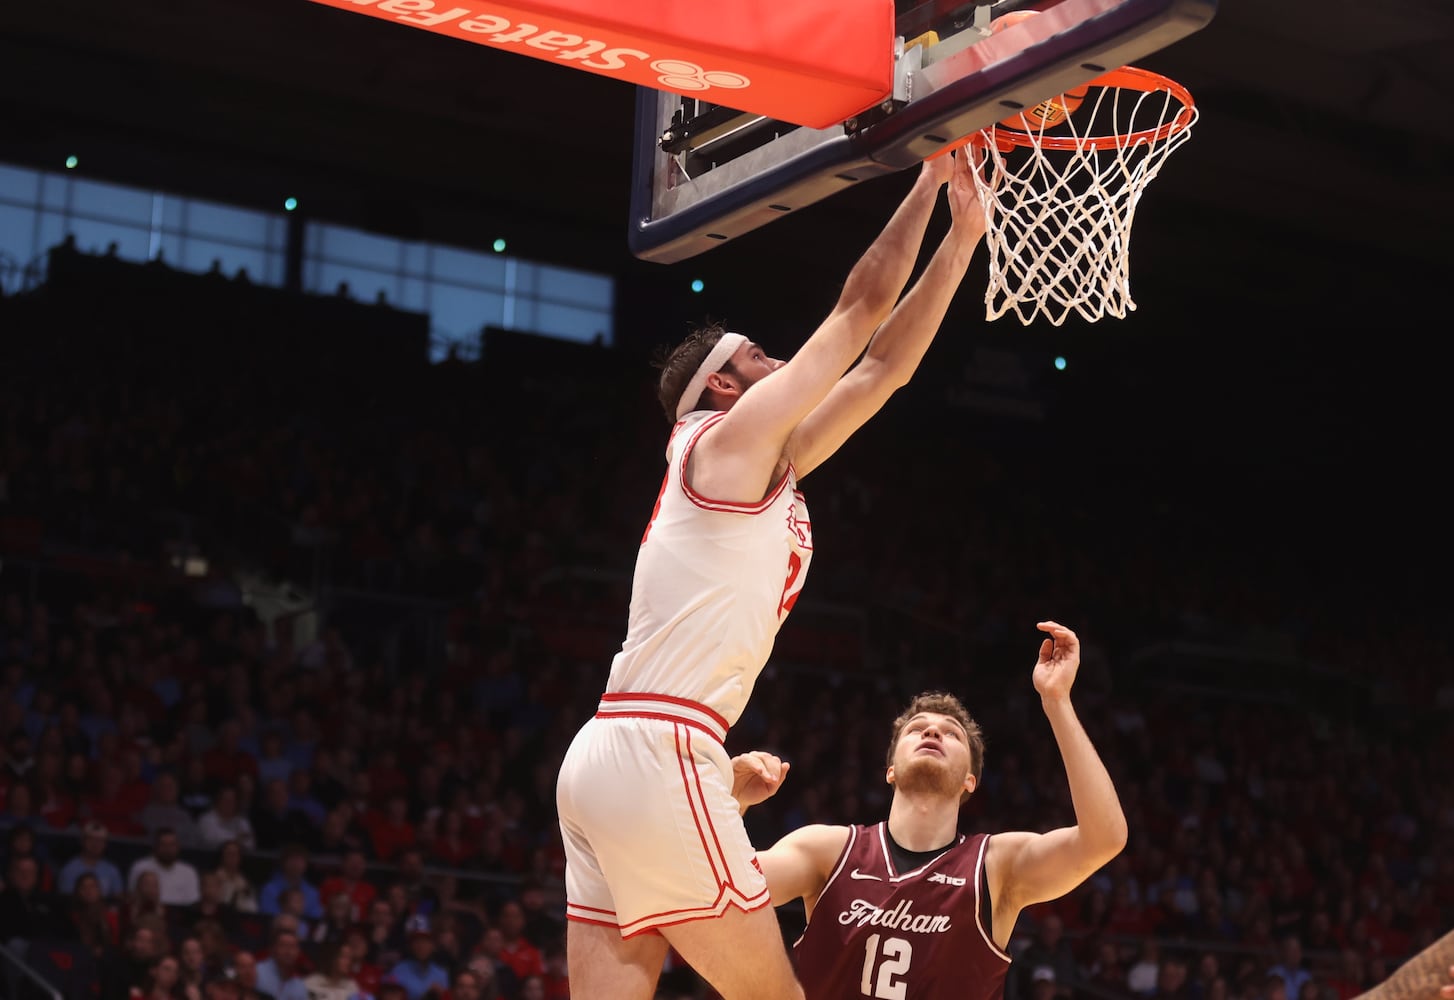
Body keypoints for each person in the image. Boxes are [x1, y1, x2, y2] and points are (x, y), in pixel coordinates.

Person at [554, 146, 987, 1000]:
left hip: (608, 758)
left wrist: (965, 234)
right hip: (661, 747)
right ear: (721, 388)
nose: (777, 357)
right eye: (756, 355)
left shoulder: (763, 464)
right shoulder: (725, 445)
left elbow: (882, 369)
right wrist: (930, 179)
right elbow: (861, 310)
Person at [732, 621, 1128, 1000]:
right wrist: (734, 804)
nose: (933, 732)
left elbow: (1104, 839)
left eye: (951, 734)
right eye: (916, 728)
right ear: (890, 770)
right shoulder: (826, 851)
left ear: (969, 781)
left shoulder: (996, 867)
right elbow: (724, 890)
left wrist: (1057, 702)